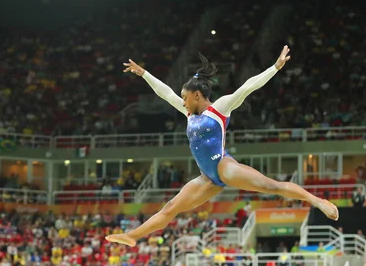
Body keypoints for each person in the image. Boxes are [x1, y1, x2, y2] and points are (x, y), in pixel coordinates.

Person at [106, 45, 339, 246]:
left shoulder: (220, 108)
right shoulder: (190, 114)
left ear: (197, 95)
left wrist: (275, 67)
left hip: (223, 166)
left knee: (272, 186)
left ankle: (317, 201)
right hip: (207, 178)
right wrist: (144, 74)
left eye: (185, 97)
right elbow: (165, 93)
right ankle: (132, 236)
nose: (183, 102)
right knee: (170, 208)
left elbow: (247, 88)